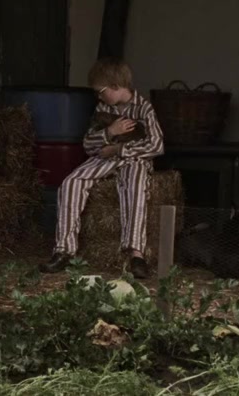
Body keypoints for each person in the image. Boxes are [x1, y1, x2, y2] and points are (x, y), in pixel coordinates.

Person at [39, 58, 164, 278]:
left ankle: (136, 255)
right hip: (105, 157)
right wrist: (110, 132)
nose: (98, 96)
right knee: (71, 182)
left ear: (115, 86)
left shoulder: (144, 108)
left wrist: (119, 149)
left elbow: (156, 145)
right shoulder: (103, 108)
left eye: (101, 91)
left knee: (135, 186)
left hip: (133, 158)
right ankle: (64, 250)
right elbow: (88, 144)